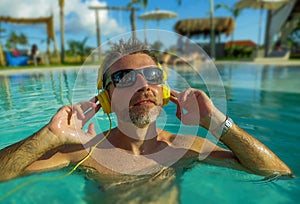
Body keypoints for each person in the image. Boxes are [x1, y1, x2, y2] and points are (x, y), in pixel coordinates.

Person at [0, 38, 293, 202]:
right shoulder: (85, 153)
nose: (143, 85)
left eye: (152, 75)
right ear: (106, 99)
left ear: (163, 90)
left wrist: (216, 122)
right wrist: (47, 138)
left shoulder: (187, 147)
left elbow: (279, 173)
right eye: (125, 77)